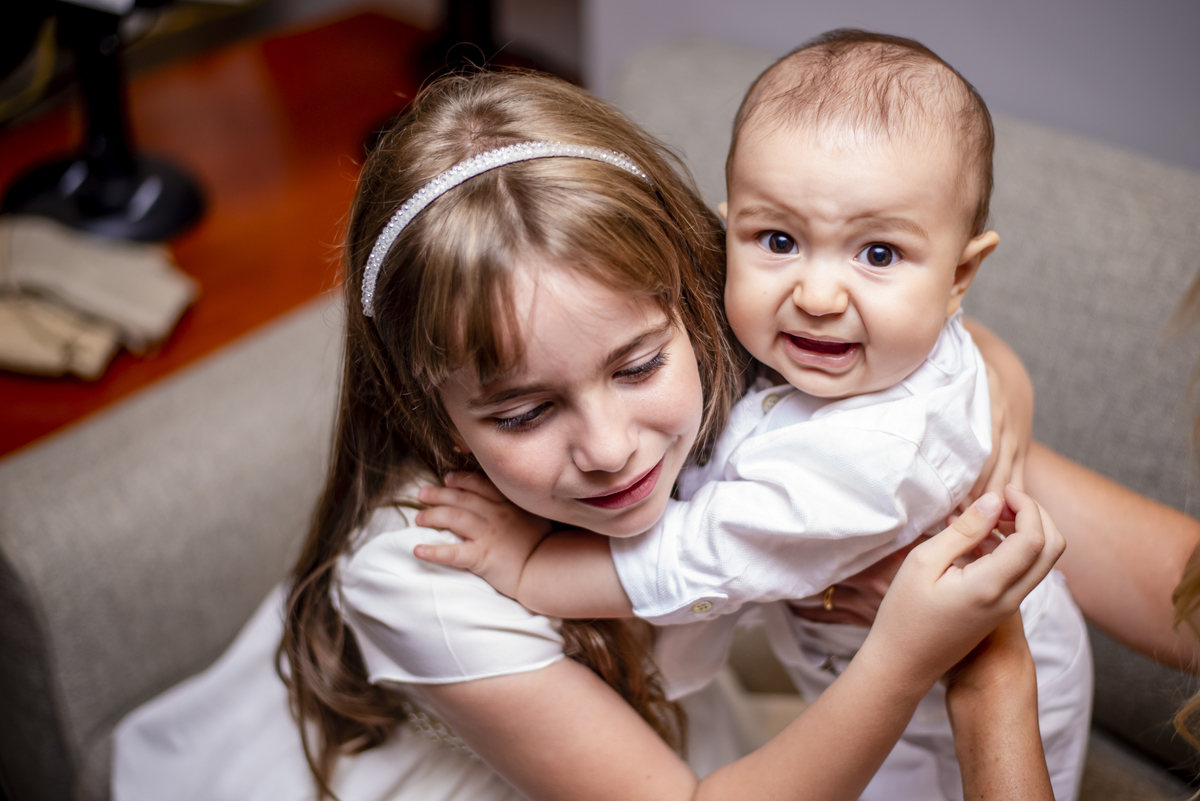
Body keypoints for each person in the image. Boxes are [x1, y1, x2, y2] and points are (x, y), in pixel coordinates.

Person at [111, 70, 1061, 801]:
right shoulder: (425, 573)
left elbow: (925, 357)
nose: (610, 449)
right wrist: (903, 655)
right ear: (426, 408)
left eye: (637, 367)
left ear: (697, 302)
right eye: (523, 412)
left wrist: (997, 380)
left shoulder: (731, 345)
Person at [414, 32, 1091, 801]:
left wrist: (529, 569)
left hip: (961, 712)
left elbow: (694, 558)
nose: (818, 295)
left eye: (877, 254)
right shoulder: (818, 342)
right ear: (726, 233)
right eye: (778, 239)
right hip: (861, 677)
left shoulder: (875, 453)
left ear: (960, 274)